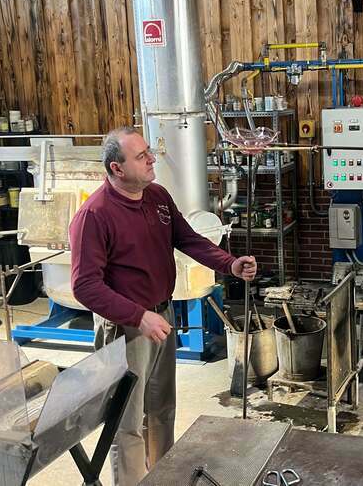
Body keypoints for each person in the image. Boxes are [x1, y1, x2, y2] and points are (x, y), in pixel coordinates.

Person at [69, 127, 257, 486]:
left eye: (148, 152)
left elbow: (187, 239)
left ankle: (163, 478)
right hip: (126, 327)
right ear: (117, 169)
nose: (152, 158)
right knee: (127, 421)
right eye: (141, 156)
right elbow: (84, 286)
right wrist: (138, 317)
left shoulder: (156, 196)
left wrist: (229, 264)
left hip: (161, 315)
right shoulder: (95, 215)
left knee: (161, 410)